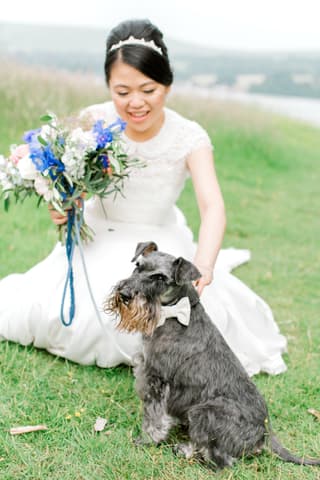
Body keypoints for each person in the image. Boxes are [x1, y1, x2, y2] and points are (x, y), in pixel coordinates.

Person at [0, 19, 287, 375]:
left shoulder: (189, 136)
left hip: (156, 245)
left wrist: (206, 263)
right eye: (122, 92)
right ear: (108, 86)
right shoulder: (92, 122)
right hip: (97, 235)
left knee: (198, 325)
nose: (135, 102)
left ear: (166, 85)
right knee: (70, 317)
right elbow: (71, 188)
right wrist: (62, 207)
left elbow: (212, 206)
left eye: (148, 90)